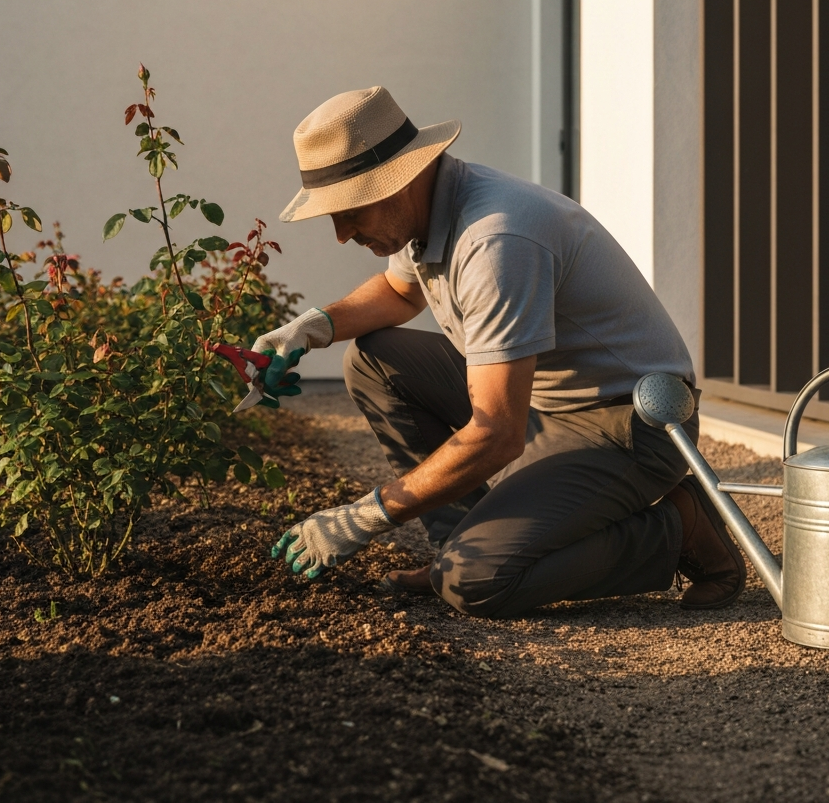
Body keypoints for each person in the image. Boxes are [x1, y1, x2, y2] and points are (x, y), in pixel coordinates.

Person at [256, 86, 746, 617]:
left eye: (349, 211)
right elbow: (400, 294)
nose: (341, 233)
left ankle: (678, 527)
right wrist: (313, 327)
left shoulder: (496, 240)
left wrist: (366, 515)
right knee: (375, 360)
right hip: (544, 402)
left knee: (475, 583)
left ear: (399, 181)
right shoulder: (431, 211)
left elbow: (496, 433)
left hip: (628, 426)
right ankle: (456, 542)